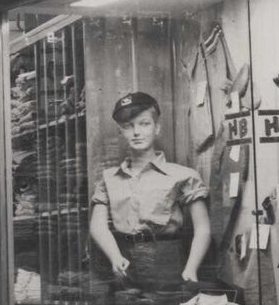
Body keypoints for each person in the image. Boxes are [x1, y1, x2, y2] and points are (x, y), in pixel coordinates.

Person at [89, 91, 210, 291]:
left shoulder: (182, 176)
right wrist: (114, 256)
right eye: (128, 126)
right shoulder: (109, 178)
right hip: (122, 261)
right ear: (121, 131)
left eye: (144, 124)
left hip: (166, 260)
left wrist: (191, 269)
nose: (136, 132)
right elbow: (98, 226)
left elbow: (203, 228)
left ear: (157, 127)